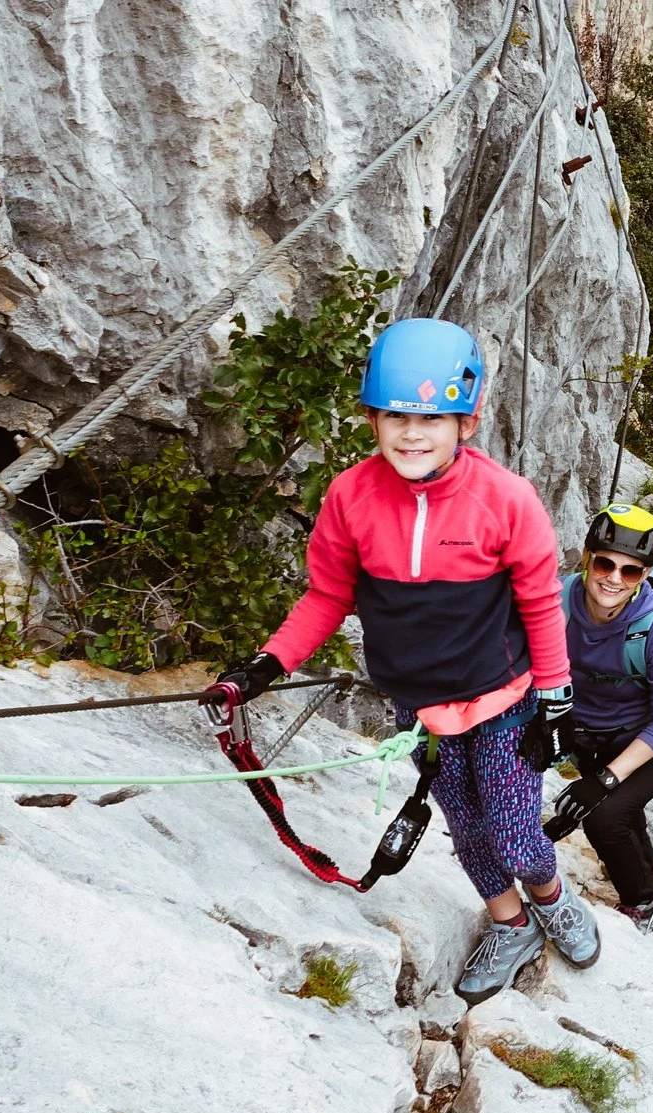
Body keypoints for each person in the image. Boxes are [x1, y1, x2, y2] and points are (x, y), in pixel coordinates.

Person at [208, 318, 597, 1005]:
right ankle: (510, 924)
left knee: (515, 834)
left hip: (504, 701)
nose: (412, 434)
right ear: (372, 418)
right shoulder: (351, 498)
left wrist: (557, 700)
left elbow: (540, 603)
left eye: (432, 418)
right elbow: (328, 596)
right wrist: (265, 666)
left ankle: (550, 895)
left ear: (467, 421)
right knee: (467, 829)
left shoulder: (507, 501)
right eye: (396, 415)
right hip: (420, 712)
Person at [553, 502, 653, 937]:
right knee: (624, 818)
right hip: (590, 735)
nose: (614, 578)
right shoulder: (556, 603)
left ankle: (644, 907)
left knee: (605, 817)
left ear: (644, 576)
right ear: (587, 558)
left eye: (630, 571)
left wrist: (606, 780)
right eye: (605, 564)